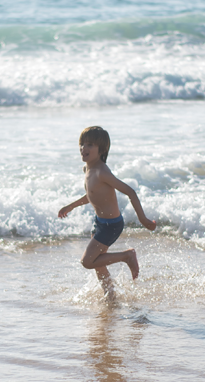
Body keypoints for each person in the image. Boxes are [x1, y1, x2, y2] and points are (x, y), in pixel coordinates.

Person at [58, 126, 156, 296]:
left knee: (88, 262)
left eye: (89, 145)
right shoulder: (88, 169)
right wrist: (71, 206)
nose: (84, 148)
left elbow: (130, 191)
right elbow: (92, 194)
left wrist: (143, 219)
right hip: (100, 222)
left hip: (111, 225)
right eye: (82, 144)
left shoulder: (102, 172)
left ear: (101, 150)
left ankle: (127, 256)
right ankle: (110, 294)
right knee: (98, 263)